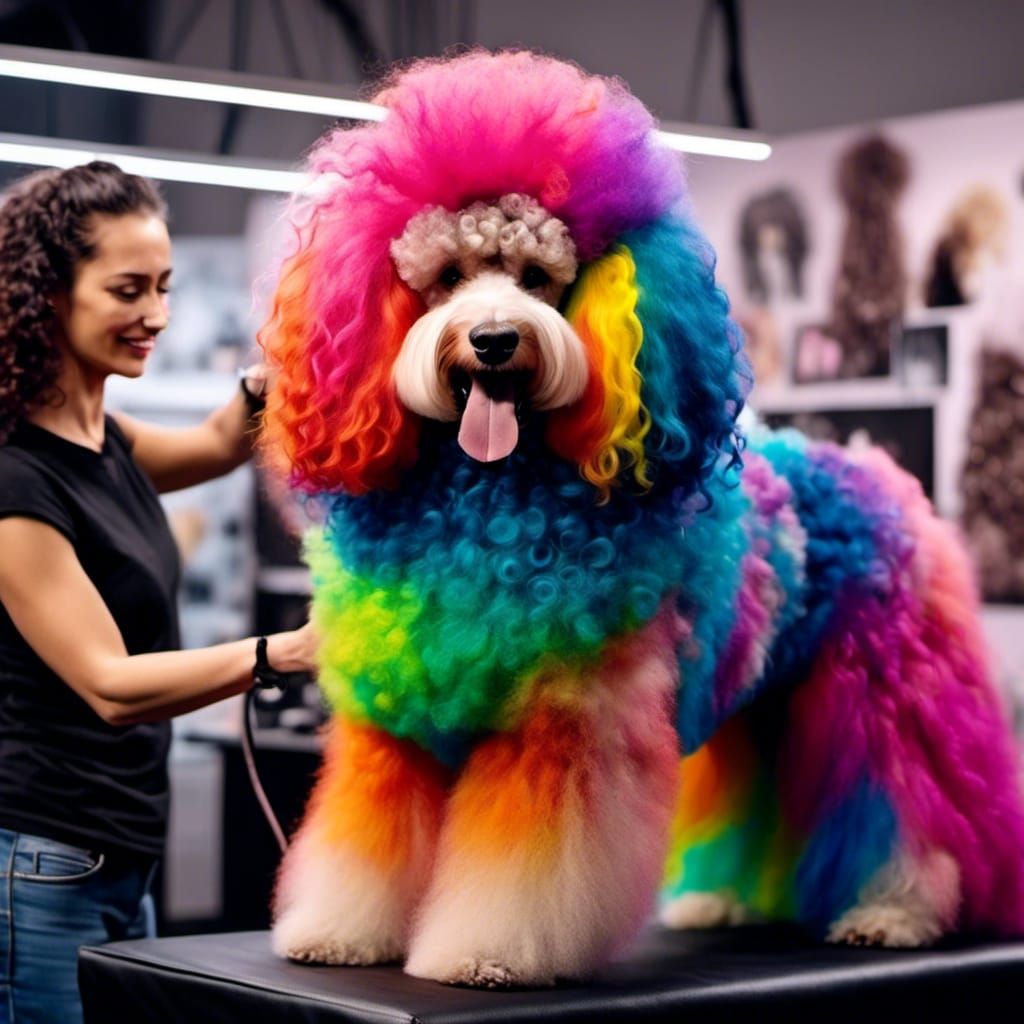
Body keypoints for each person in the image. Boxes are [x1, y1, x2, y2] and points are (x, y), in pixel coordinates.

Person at [0, 161, 318, 1023]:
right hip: (42, 862)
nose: (158, 315)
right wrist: (280, 653)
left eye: (165, 287)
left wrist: (283, 356)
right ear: (47, 295)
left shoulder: (100, 439)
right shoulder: (18, 478)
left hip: (118, 850)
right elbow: (108, 686)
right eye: (128, 289)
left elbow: (217, 444)